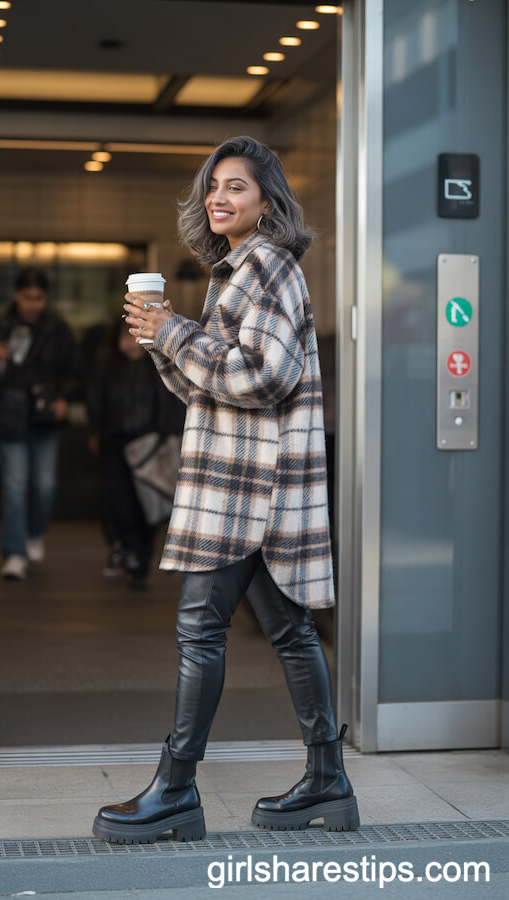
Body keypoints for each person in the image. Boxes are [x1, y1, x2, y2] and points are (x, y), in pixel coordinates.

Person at [92, 136, 359, 843]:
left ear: (266, 201)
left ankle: (176, 792)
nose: (218, 196)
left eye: (236, 186)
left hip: (245, 490)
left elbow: (265, 378)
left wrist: (177, 332)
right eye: (213, 185)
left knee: (200, 630)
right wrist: (163, 340)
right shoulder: (232, 271)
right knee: (290, 631)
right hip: (250, 485)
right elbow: (208, 389)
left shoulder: (265, 263)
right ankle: (327, 781)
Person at [0, 267, 77, 580]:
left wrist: (65, 398)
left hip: (44, 416)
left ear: (45, 298)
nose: (33, 303)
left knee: (44, 486)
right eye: (27, 297)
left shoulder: (58, 327)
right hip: (10, 414)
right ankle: (15, 552)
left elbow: (74, 370)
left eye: (38, 298)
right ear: (17, 295)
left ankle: (34, 533)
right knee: (14, 486)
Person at [86, 316, 184, 588]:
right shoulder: (106, 362)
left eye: (135, 335)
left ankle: (139, 558)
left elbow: (172, 401)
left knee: (147, 502)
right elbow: (95, 399)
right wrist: (94, 432)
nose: (130, 342)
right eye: (125, 336)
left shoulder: (159, 362)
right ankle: (126, 551)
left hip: (149, 442)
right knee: (116, 500)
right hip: (114, 440)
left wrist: (170, 436)